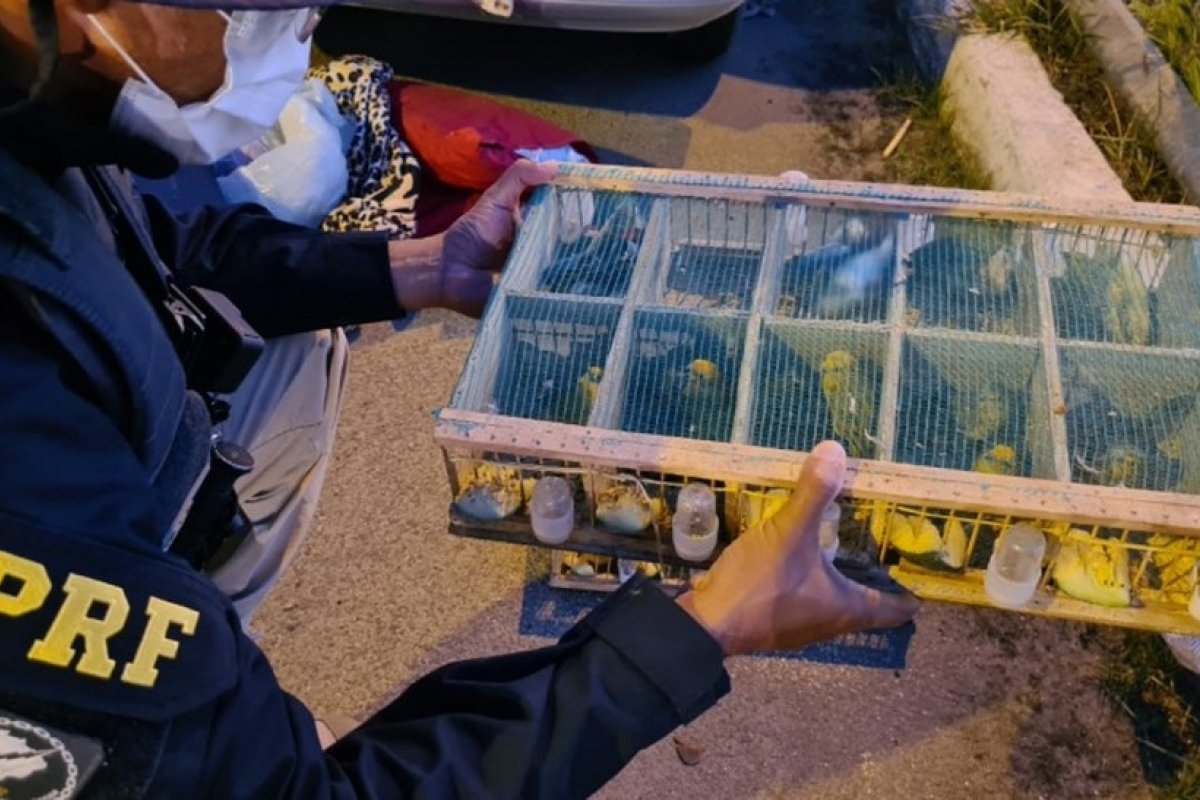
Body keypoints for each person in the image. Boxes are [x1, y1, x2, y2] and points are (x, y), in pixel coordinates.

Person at [0, 0, 920, 796]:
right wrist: (707, 626)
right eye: (263, 5)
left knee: (297, 344)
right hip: (67, 604)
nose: (303, 30)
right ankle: (176, 713)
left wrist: (420, 265)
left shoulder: (34, 106)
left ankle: (193, 689)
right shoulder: (21, 440)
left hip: (132, 507)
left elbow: (146, 258)